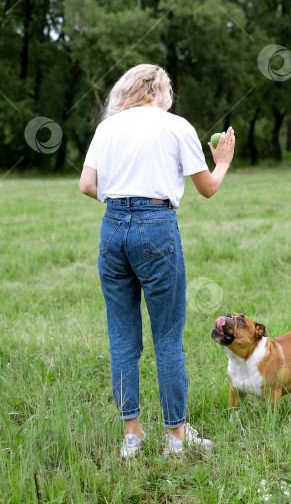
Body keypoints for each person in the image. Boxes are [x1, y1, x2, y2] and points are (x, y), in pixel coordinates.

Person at [78, 63, 235, 457]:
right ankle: (176, 438)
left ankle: (133, 436)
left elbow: (86, 185)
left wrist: (120, 199)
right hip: (157, 224)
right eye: (168, 91)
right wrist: (223, 161)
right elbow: (208, 189)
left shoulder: (107, 128)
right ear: (158, 90)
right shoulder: (176, 126)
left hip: (112, 227)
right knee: (167, 338)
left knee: (122, 338)